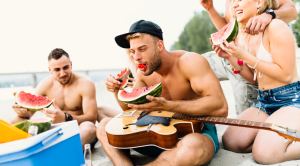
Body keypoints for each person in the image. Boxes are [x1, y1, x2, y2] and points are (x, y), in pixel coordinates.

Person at [97, 20, 228, 166]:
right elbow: (130, 109)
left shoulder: (190, 62)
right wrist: (117, 91)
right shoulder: (143, 72)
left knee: (192, 148)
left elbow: (220, 107)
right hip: (156, 135)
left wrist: (168, 106)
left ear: (159, 45)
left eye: (142, 49)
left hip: (193, 132)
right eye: (132, 51)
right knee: (104, 126)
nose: (136, 57)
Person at [213, 0, 300, 164]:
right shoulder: (243, 35)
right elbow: (253, 77)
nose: (235, 5)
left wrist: (244, 56)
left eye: (241, 0)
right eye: (234, 1)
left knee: (263, 154)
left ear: (259, 3)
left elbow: (286, 75)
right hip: (264, 102)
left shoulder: (276, 27)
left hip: (292, 100)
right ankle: (275, 134)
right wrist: (230, 57)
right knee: (232, 141)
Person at [199, 0, 297, 114]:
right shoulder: (232, 5)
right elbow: (230, 29)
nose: (234, 5)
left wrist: (269, 14)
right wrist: (210, 9)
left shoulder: (275, 27)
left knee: (247, 113)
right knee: (196, 64)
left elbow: (292, 10)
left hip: (285, 95)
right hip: (239, 56)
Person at [12, 48, 98, 147]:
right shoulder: (45, 85)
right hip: (56, 130)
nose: (62, 73)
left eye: (66, 67)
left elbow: (92, 119)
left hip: (80, 130)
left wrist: (66, 118)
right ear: (50, 70)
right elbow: (29, 114)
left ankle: (66, 153)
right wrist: (21, 111)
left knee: (89, 128)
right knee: (14, 121)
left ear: (71, 65)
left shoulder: (86, 84)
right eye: (57, 69)